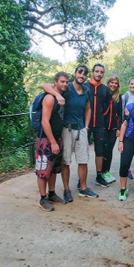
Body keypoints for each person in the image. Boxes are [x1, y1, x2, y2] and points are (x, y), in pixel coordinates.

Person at [43, 65, 98, 201]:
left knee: (83, 160)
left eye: (84, 74)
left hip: (81, 129)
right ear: (75, 74)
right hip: (66, 129)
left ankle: (83, 188)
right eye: (80, 73)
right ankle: (67, 190)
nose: (82, 75)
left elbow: (88, 108)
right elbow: (45, 85)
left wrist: (86, 126)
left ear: (86, 76)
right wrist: (57, 95)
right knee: (66, 161)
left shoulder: (86, 91)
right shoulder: (66, 87)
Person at [35, 72, 69, 211]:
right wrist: (53, 142)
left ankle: (52, 193)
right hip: (46, 139)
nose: (65, 84)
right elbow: (45, 121)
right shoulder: (49, 98)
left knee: (53, 169)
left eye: (67, 82)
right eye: (62, 81)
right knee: (43, 170)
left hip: (57, 137)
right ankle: (43, 198)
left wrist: (57, 141)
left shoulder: (61, 96)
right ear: (55, 82)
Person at [86, 63, 111, 187]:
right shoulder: (85, 87)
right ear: (92, 72)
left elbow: (107, 107)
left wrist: (102, 118)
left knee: (100, 150)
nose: (99, 74)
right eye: (97, 71)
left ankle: (99, 175)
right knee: (83, 150)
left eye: (101, 72)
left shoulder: (105, 89)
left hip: (100, 124)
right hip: (86, 124)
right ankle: (82, 178)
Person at [100, 74, 122, 185]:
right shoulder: (103, 94)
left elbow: (120, 114)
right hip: (103, 127)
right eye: (111, 82)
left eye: (115, 83)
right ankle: (100, 172)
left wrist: (119, 128)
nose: (113, 85)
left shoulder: (119, 97)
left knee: (109, 150)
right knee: (102, 150)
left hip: (113, 128)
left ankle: (106, 171)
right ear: (108, 83)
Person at [121, 77, 134, 179]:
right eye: (131, 84)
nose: (133, 86)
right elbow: (122, 112)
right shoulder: (125, 97)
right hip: (127, 126)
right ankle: (127, 170)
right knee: (127, 150)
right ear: (129, 84)